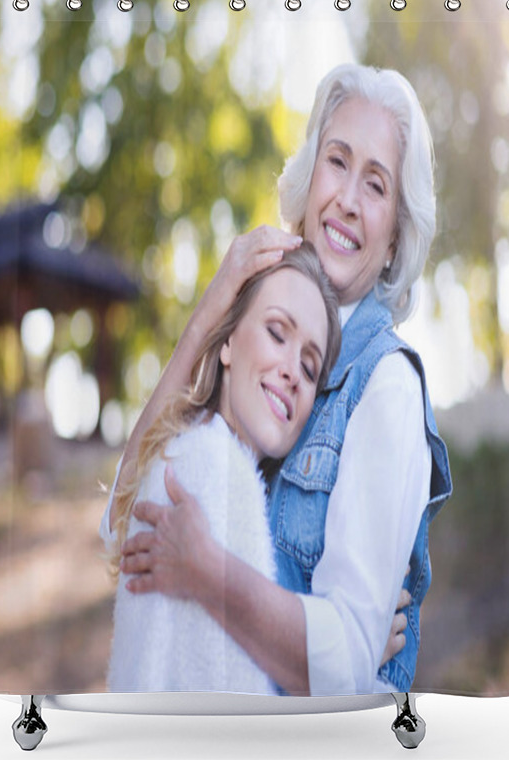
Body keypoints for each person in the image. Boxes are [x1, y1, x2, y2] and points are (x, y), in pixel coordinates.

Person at [110, 63, 453, 696]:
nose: (347, 199)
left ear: (396, 234)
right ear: (308, 172)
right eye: (337, 161)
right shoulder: (261, 323)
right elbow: (127, 518)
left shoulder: (387, 389)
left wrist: (209, 575)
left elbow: (346, 666)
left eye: (376, 185)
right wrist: (212, 311)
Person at [101, 244, 341, 693]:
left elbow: (115, 519)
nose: (292, 371)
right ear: (227, 342)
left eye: (310, 368)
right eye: (276, 332)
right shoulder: (214, 470)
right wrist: (347, 671)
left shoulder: (181, 450)